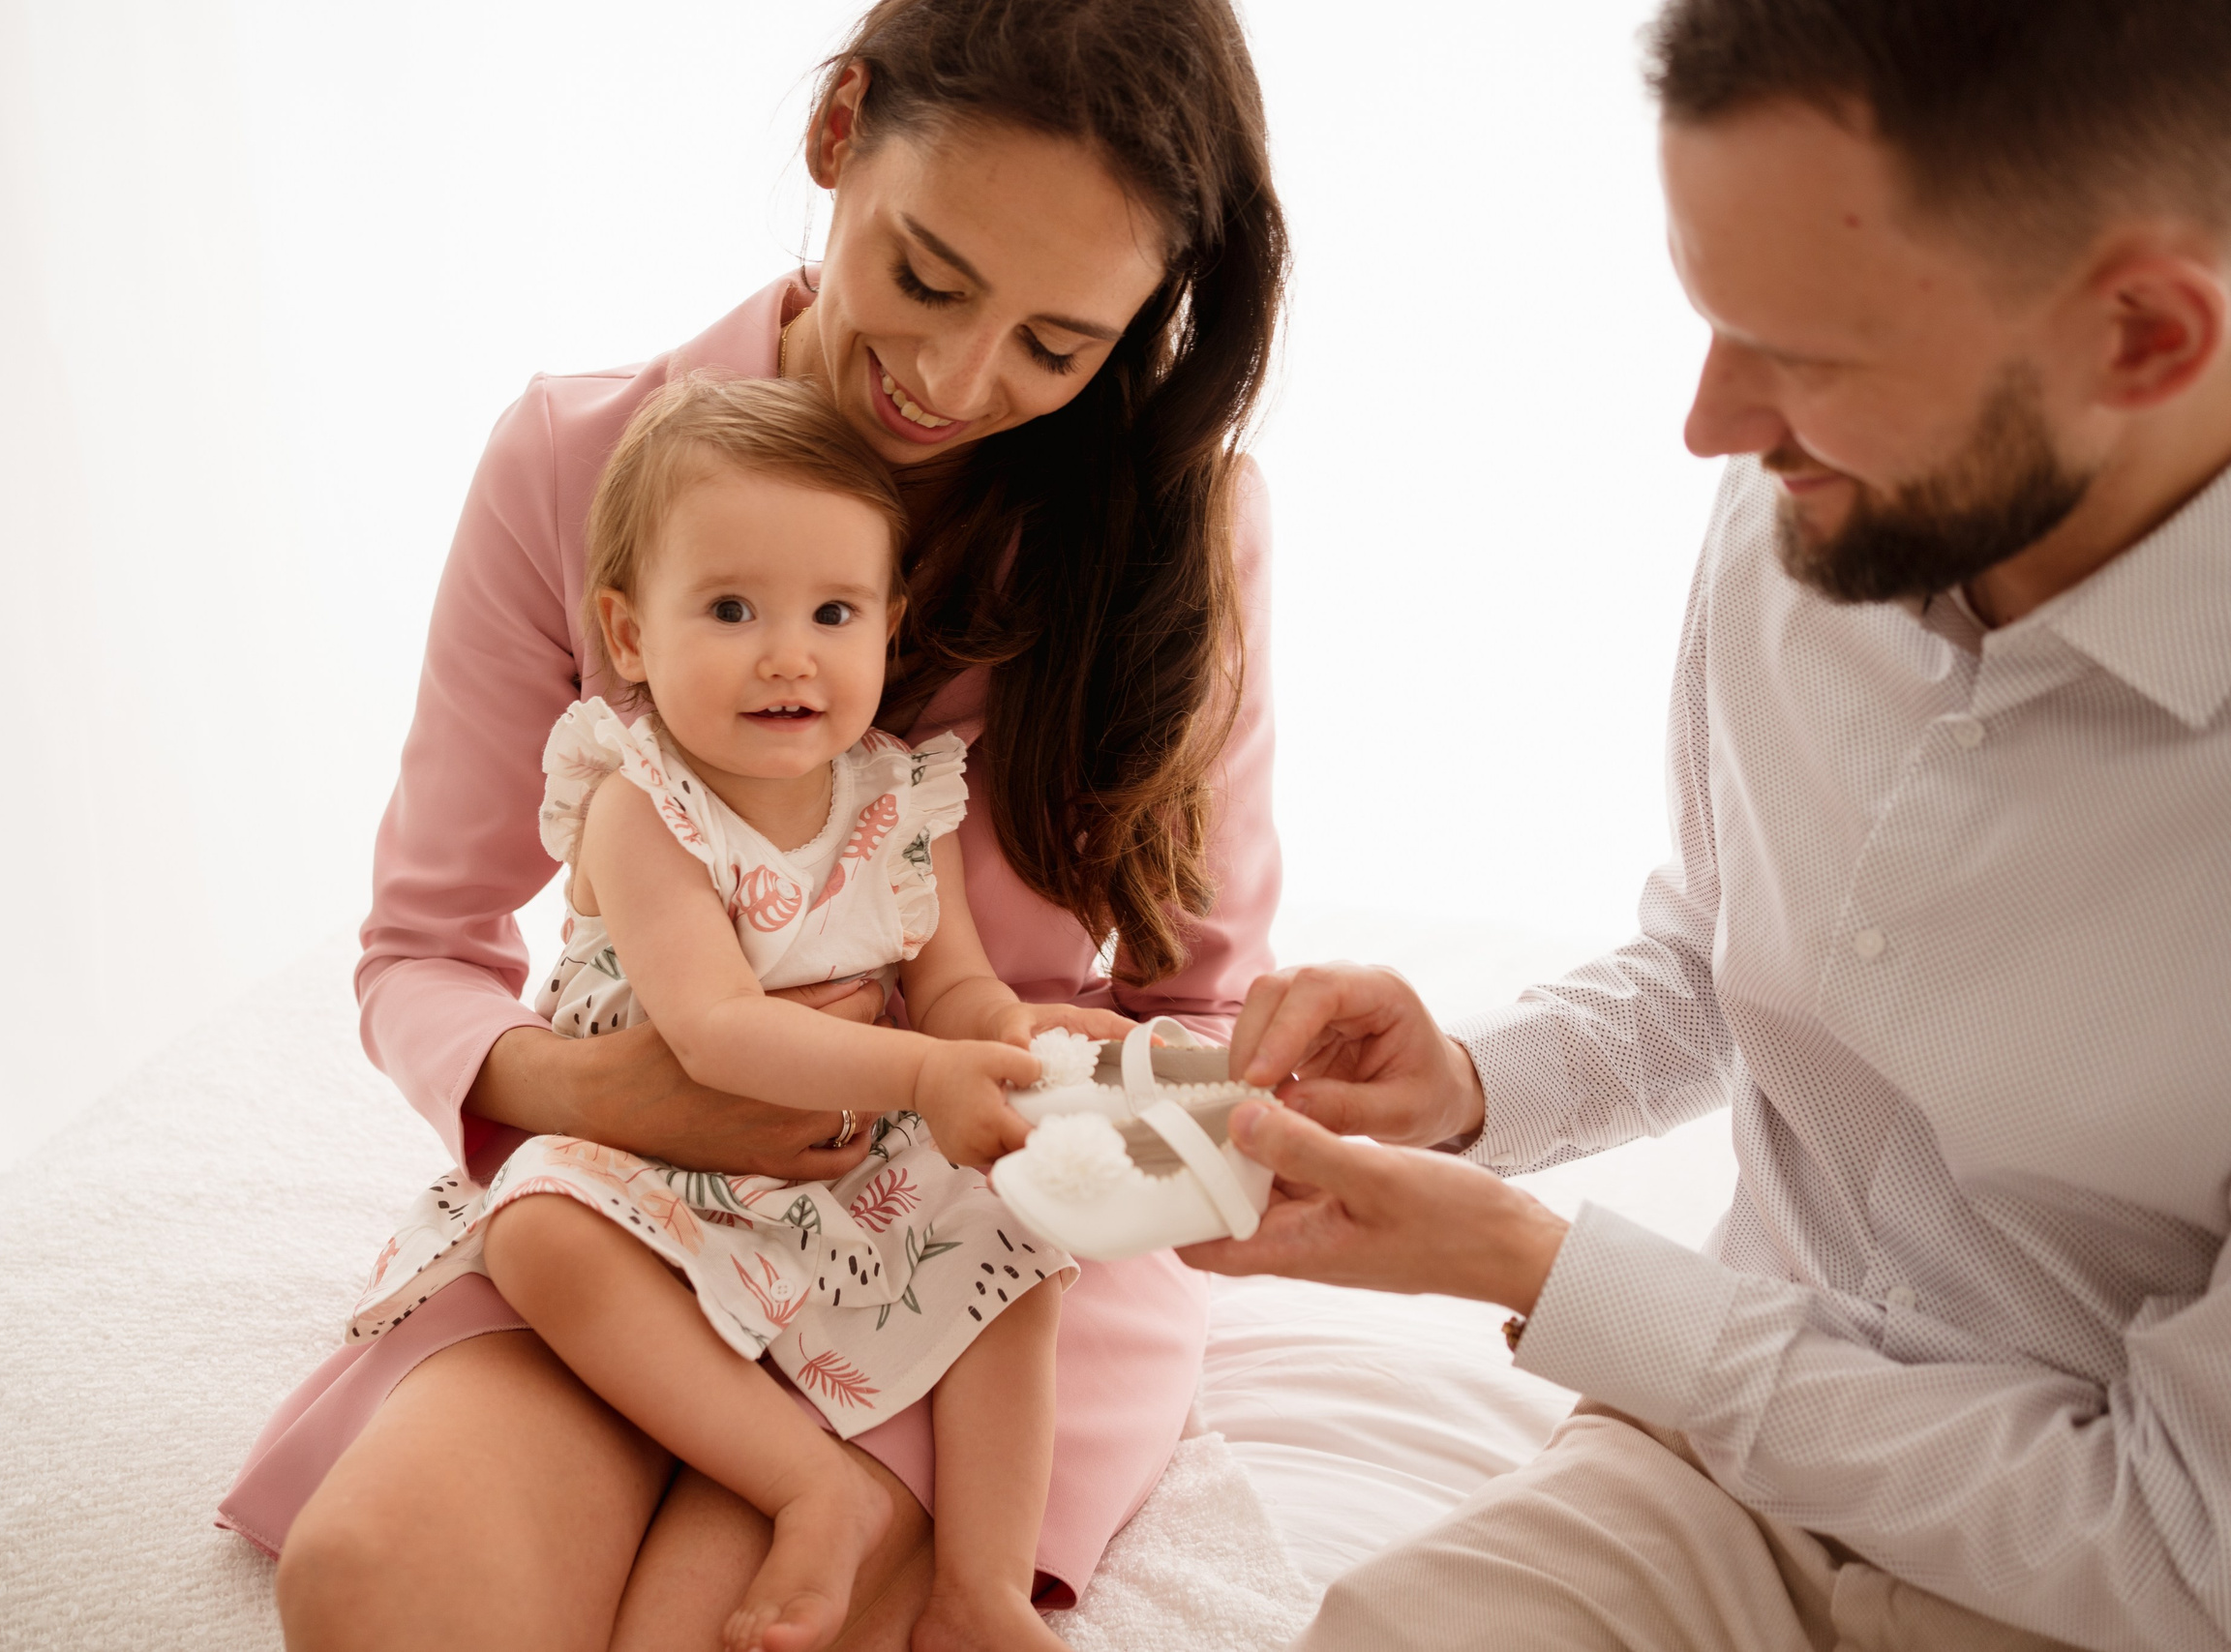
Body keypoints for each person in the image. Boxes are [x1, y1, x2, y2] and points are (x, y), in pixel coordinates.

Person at [220, 3, 1289, 1648]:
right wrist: (611, 1092)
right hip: (640, 1196)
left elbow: (1192, 1010)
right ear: (838, 132)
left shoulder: (1178, 537)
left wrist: (994, 1080)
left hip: (967, 1230)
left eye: (1056, 346)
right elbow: (426, 949)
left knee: (735, 1628)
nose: (954, 379)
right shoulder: (579, 462)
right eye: (928, 279)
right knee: (383, 1586)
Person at [1185, 1, 2231, 1648]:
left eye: (1810, 357)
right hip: (1720, 1475)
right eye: (1717, 320)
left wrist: (1544, 1270)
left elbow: (2182, 1546)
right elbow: (1722, 958)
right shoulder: (1813, 504)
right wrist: (1463, 1088)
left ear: (2147, 339)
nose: (1715, 425)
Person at [346, 371, 1126, 1652]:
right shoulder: (641, 802)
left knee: (1017, 1243)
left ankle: (981, 1588)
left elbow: (955, 983)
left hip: (835, 1160)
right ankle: (803, 1482)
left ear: (891, 624)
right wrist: (927, 1079)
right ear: (632, 633)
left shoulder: (901, 795)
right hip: (653, 1160)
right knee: (541, 1232)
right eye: (729, 609)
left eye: (833, 611)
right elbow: (712, 1031)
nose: (787, 652)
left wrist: (1014, 1037)